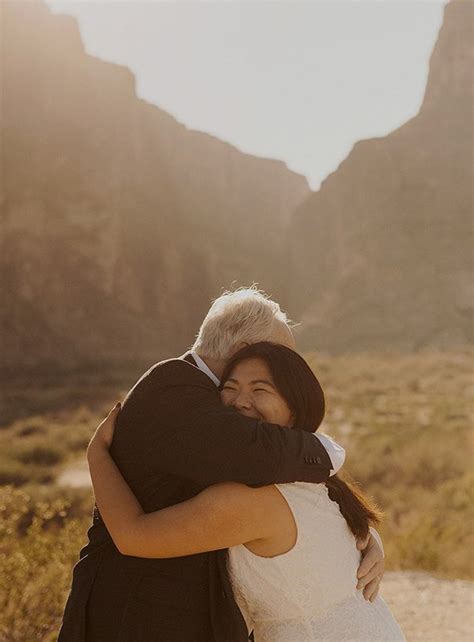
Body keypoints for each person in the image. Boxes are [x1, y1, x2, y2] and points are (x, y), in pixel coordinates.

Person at [58, 287, 383, 642]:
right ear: (248, 352)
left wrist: (359, 535)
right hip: (136, 614)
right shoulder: (174, 388)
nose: (289, 368)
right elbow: (259, 454)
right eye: (280, 356)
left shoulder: (212, 400)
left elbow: (290, 494)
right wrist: (327, 451)